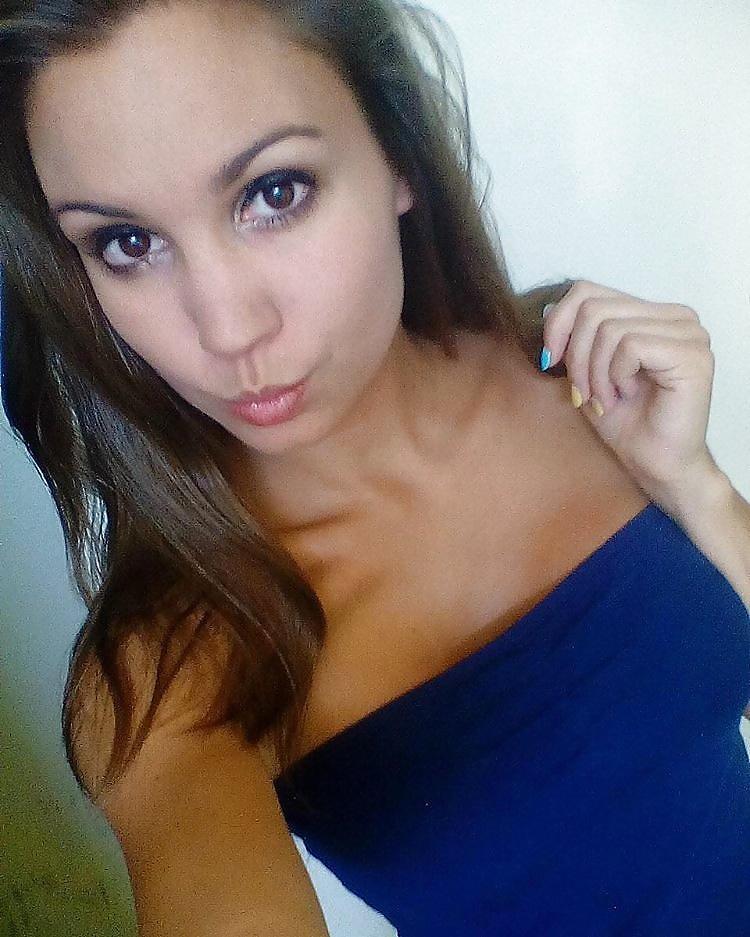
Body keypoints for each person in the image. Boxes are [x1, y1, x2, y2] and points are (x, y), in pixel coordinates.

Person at [1, 0, 749, 934]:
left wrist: (696, 485)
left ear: (396, 150)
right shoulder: (175, 663)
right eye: (127, 242)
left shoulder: (572, 366)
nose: (228, 330)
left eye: (274, 193)